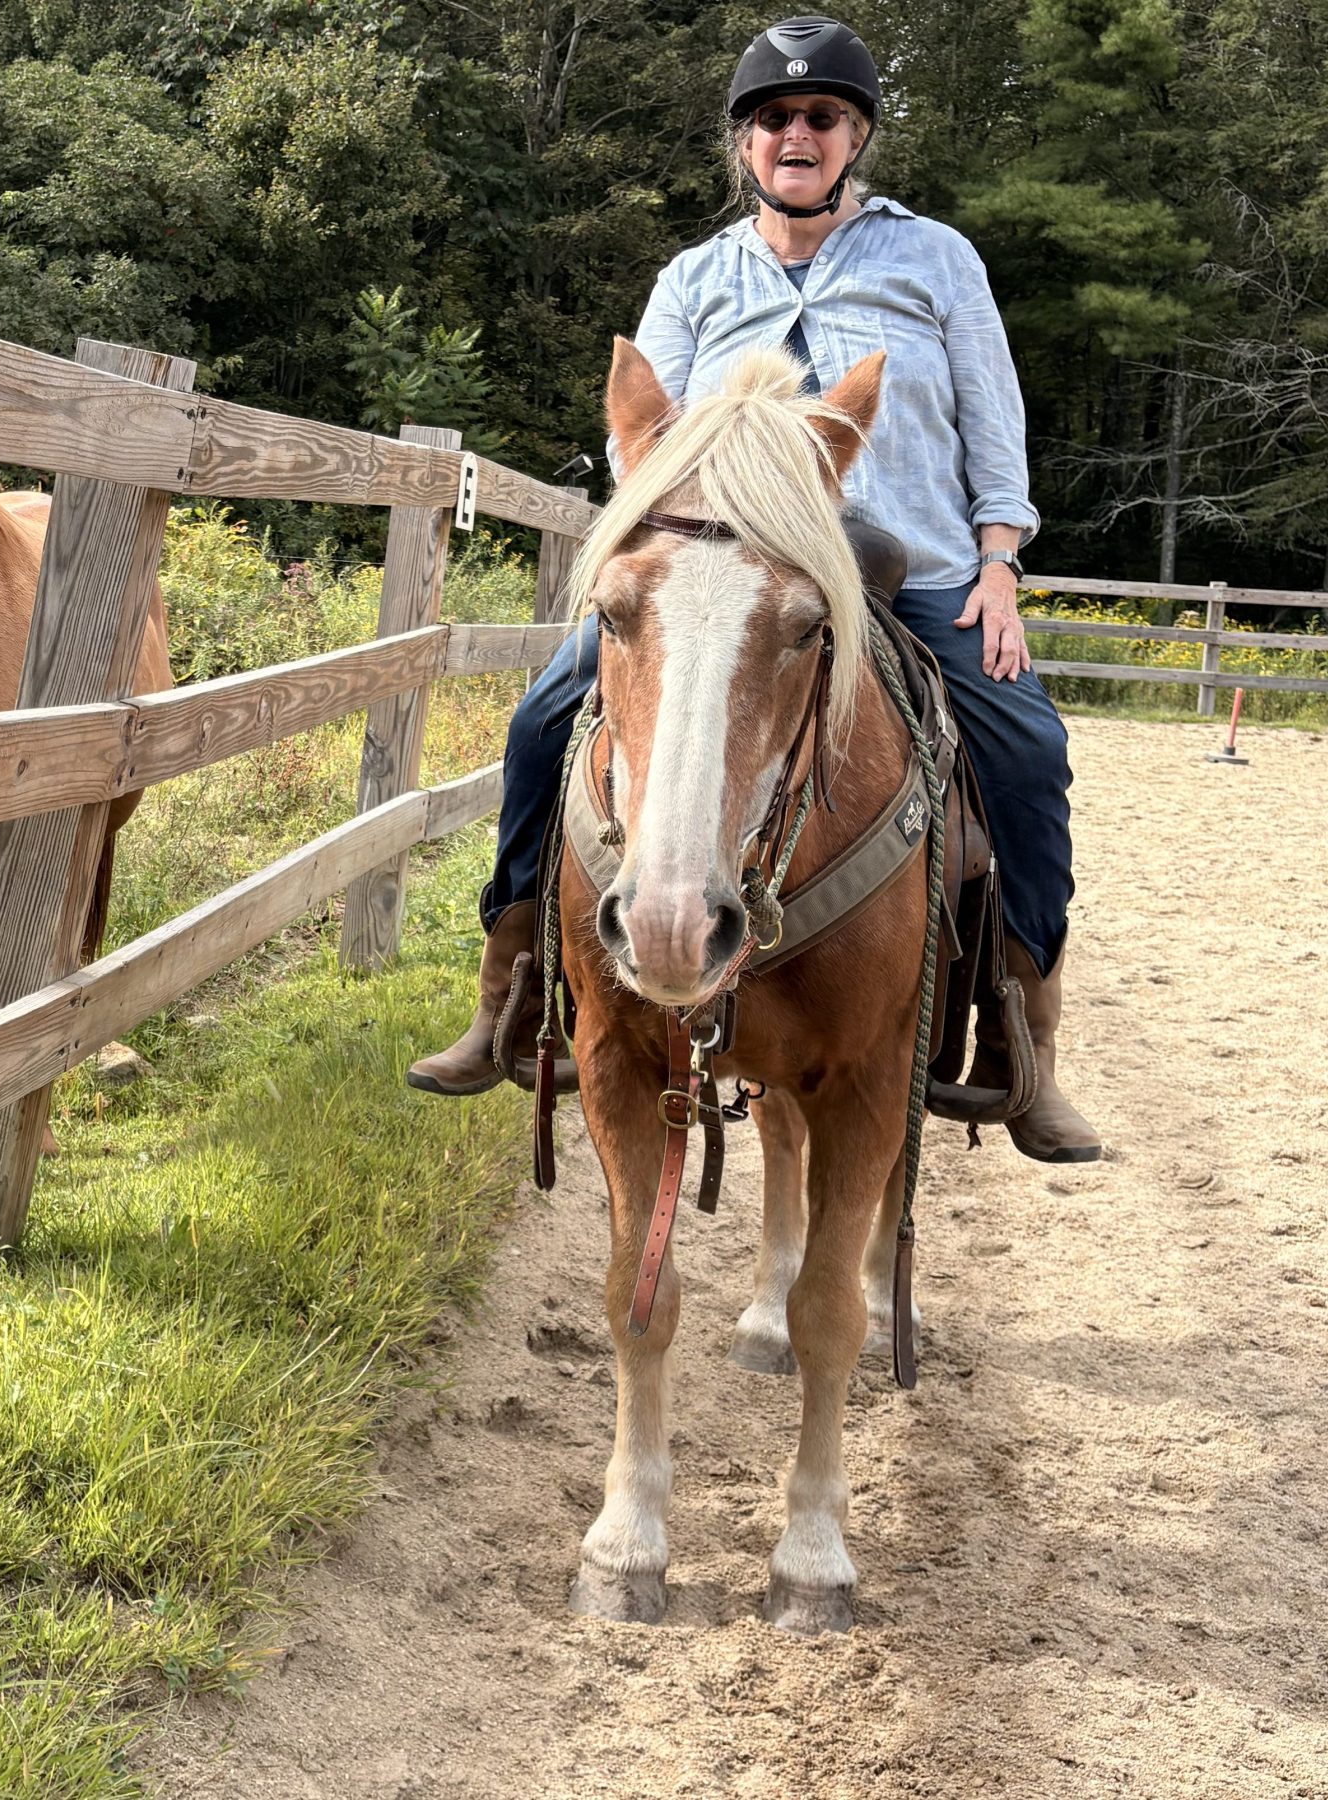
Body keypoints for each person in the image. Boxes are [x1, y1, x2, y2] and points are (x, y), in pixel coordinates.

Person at [406, 13, 1100, 1163]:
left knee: (1025, 750)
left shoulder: (937, 262)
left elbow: (994, 422)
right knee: (542, 722)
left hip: (904, 566)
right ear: (744, 144)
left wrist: (998, 568)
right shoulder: (693, 278)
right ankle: (512, 989)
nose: (797, 134)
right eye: (774, 118)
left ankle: (1026, 1034)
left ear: (853, 137)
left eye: (821, 117)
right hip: (726, 572)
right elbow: (648, 445)